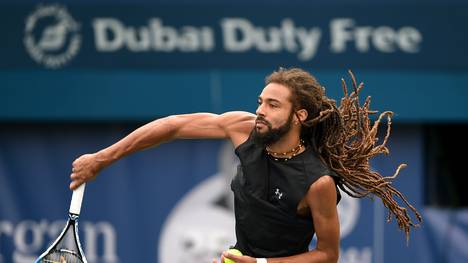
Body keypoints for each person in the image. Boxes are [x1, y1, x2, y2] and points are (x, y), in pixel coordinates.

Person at [69, 68, 421, 263]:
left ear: (299, 116)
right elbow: (173, 126)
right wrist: (102, 158)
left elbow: (328, 255)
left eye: (272, 105)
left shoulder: (317, 183)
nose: (261, 111)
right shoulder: (243, 129)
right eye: (260, 102)